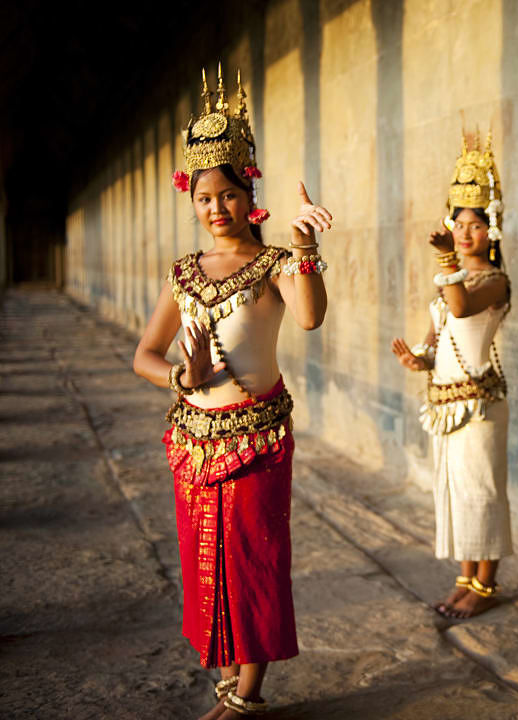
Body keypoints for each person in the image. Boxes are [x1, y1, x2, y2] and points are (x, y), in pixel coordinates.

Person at [133, 65, 333, 719]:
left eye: (227, 195)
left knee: (254, 561)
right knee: (206, 561)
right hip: (193, 440)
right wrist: (181, 379)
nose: (216, 209)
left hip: (258, 441)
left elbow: (309, 318)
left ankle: (248, 694)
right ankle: (229, 681)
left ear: (250, 195)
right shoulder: (184, 273)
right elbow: (144, 355)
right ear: (191, 200)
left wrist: (303, 248)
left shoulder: (273, 263)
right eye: (203, 198)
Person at [391, 131, 512, 619]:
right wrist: (419, 360)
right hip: (445, 405)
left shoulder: (493, 281)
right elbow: (437, 335)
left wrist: (446, 261)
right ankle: (465, 577)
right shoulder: (451, 283)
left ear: (493, 232)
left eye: (475, 226)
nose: (465, 234)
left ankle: (487, 584)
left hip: (481, 406)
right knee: (456, 493)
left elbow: (461, 309)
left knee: (482, 492)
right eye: (458, 224)